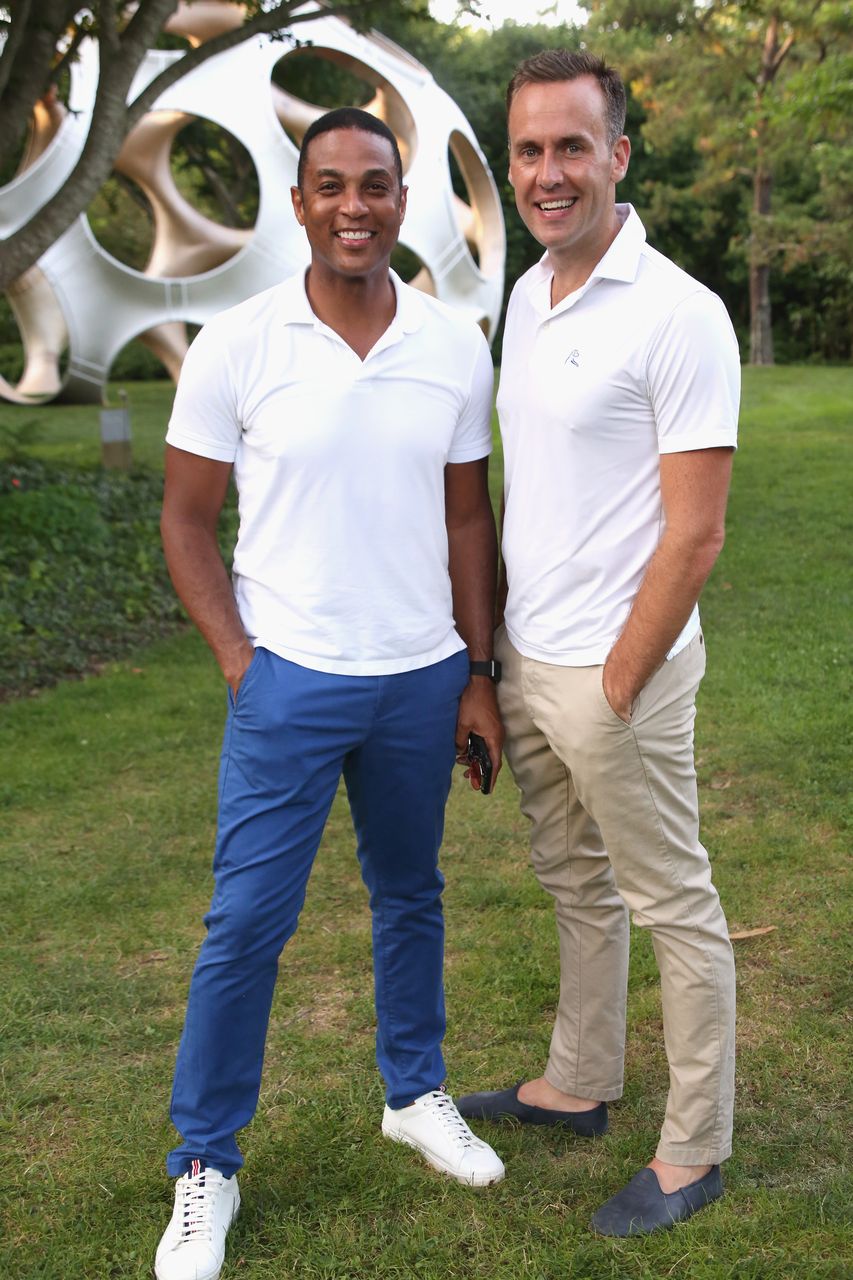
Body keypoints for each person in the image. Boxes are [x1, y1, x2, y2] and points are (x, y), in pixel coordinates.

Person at [155, 107, 506, 1280]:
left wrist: (476, 671)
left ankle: (414, 1092)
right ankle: (206, 1160)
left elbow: (466, 517)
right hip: (290, 678)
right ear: (298, 203)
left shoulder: (455, 343)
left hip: (417, 676)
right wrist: (240, 661)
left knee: (410, 893)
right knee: (246, 924)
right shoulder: (238, 343)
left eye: (376, 185)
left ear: (402, 203)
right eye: (330, 186)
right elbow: (186, 520)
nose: (354, 205)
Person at [456, 51, 740, 1238]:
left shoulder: (680, 311)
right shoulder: (528, 294)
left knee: (671, 901)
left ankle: (695, 1145)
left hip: (616, 673)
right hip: (528, 656)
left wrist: (619, 679)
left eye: (571, 146)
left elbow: (696, 531)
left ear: (618, 156)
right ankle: (578, 1083)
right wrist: (493, 661)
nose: (546, 171)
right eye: (527, 150)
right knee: (574, 883)